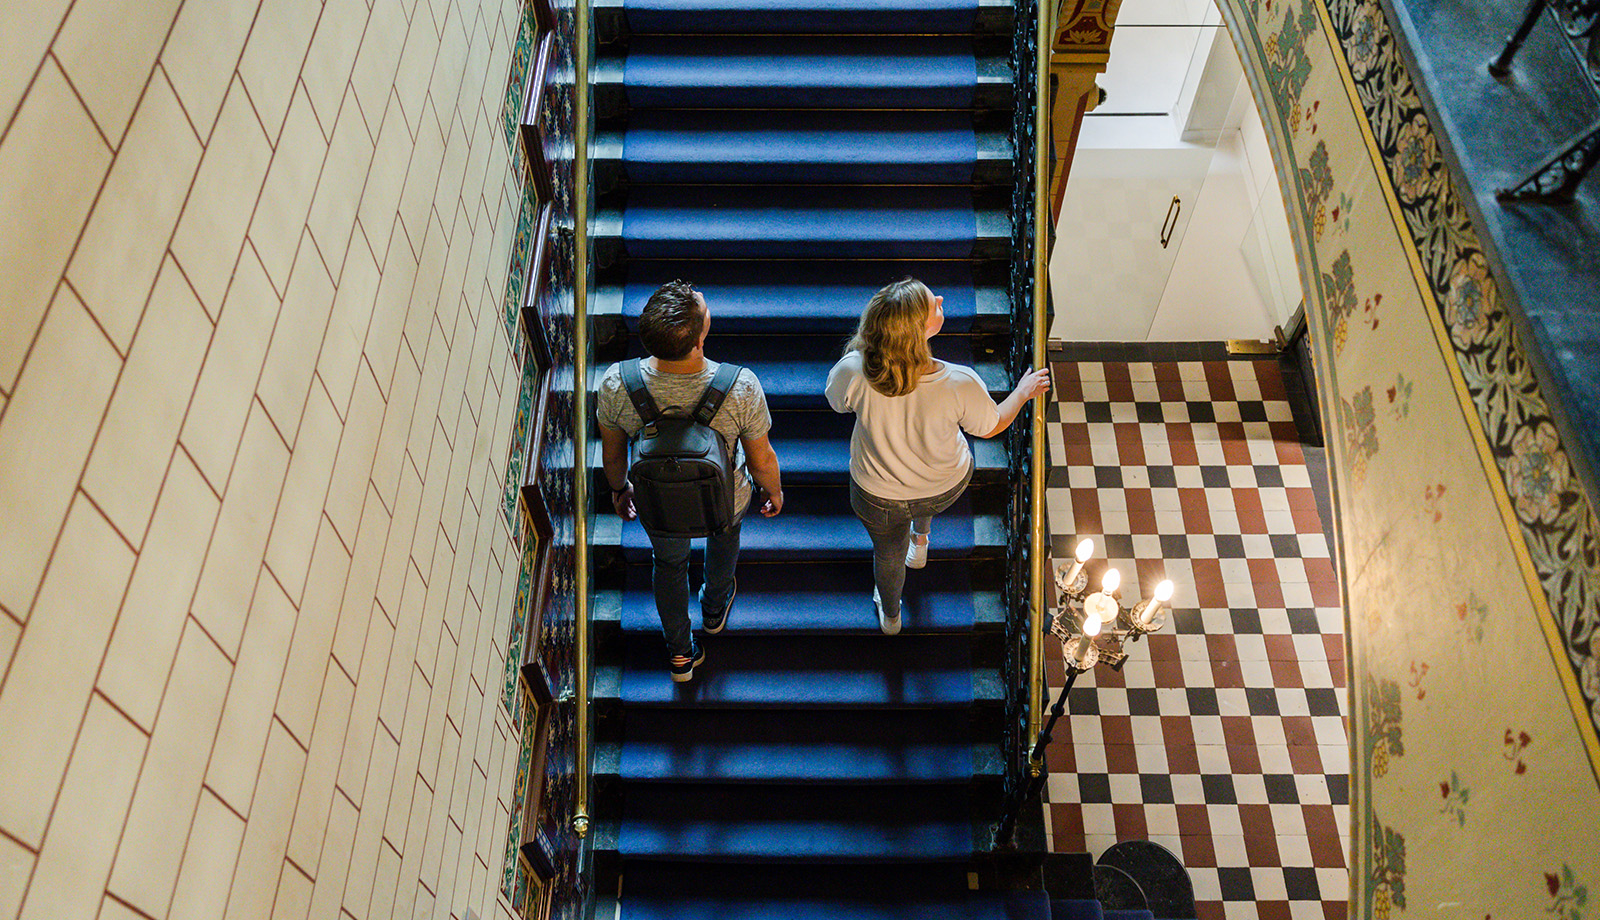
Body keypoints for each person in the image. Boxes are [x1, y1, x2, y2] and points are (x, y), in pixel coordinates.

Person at [825, 277, 1050, 635]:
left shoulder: (853, 369)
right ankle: (921, 540)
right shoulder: (960, 381)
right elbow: (991, 426)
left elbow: (838, 404)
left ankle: (891, 616)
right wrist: (1022, 392)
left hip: (877, 494)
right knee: (925, 495)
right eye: (935, 304)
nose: (942, 299)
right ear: (922, 331)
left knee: (887, 554)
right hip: (943, 486)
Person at [597, 280, 783, 681]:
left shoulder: (616, 383)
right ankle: (714, 609)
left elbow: (612, 455)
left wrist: (619, 489)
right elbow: (762, 458)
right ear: (699, 342)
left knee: (668, 564)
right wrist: (774, 490)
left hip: (658, 504)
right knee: (724, 543)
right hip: (726, 499)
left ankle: (680, 653)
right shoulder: (740, 387)